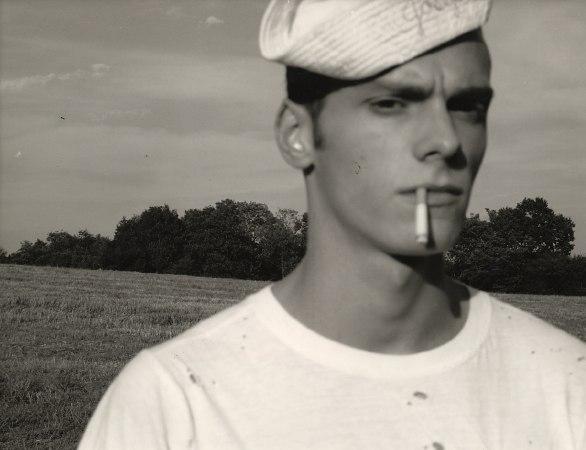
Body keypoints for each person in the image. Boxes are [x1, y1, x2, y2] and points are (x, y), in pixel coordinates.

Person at [79, 1, 585, 448]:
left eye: (468, 106)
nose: (447, 141)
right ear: (296, 133)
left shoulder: (567, 388)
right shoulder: (177, 405)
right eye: (391, 103)